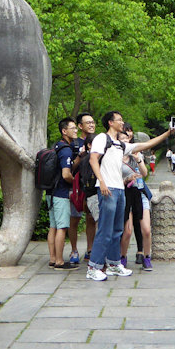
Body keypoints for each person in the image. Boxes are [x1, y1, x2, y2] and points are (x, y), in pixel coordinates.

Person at [87, 111, 175, 282]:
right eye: (119, 120)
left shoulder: (120, 145)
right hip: (108, 188)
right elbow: (93, 159)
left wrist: (168, 133)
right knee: (105, 229)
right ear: (111, 123)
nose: (122, 123)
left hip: (120, 189)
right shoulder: (101, 138)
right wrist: (102, 182)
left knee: (117, 230)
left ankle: (113, 264)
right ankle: (93, 267)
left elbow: (147, 144)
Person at [117, 128, 154, 271]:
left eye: (127, 139)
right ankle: (123, 256)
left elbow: (144, 173)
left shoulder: (135, 155)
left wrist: (138, 159)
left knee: (146, 230)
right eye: (122, 139)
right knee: (127, 231)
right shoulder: (114, 157)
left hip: (140, 194)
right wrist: (126, 180)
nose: (125, 141)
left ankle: (146, 257)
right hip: (125, 195)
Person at [46, 117, 79, 269]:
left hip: (50, 192)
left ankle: (53, 258)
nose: (76, 131)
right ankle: (59, 260)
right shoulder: (66, 150)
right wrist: (75, 184)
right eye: (73, 128)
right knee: (62, 227)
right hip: (60, 193)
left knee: (53, 226)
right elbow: (66, 174)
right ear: (64, 131)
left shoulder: (57, 146)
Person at [71, 112, 98, 265]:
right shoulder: (74, 143)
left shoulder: (98, 141)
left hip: (92, 187)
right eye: (88, 122)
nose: (91, 125)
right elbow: (70, 168)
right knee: (74, 218)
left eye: (93, 122)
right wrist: (80, 156)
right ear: (80, 126)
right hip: (77, 187)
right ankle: (74, 250)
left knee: (91, 218)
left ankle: (90, 250)